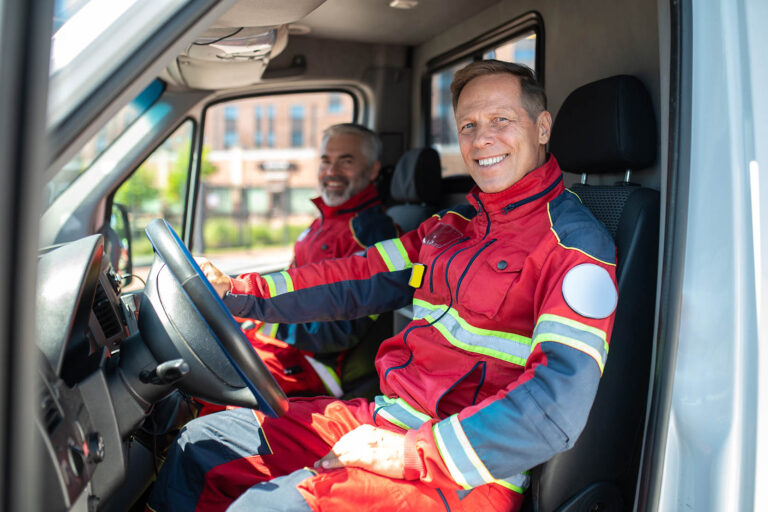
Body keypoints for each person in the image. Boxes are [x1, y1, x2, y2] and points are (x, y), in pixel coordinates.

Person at [148, 60, 619, 512]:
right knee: (202, 444)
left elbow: (555, 403)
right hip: (384, 420)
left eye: (501, 119)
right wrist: (234, 288)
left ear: (541, 128)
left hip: (464, 471)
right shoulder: (448, 228)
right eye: (469, 126)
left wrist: (412, 453)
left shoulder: (576, 246)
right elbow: (351, 277)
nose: (482, 139)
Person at [219, 123, 400, 403]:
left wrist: (259, 316)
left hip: (321, 367)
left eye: (346, 161)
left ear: (373, 170)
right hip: (288, 348)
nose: (332, 171)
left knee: (219, 381)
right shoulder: (326, 220)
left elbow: (338, 332)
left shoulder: (372, 234)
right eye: (326, 161)